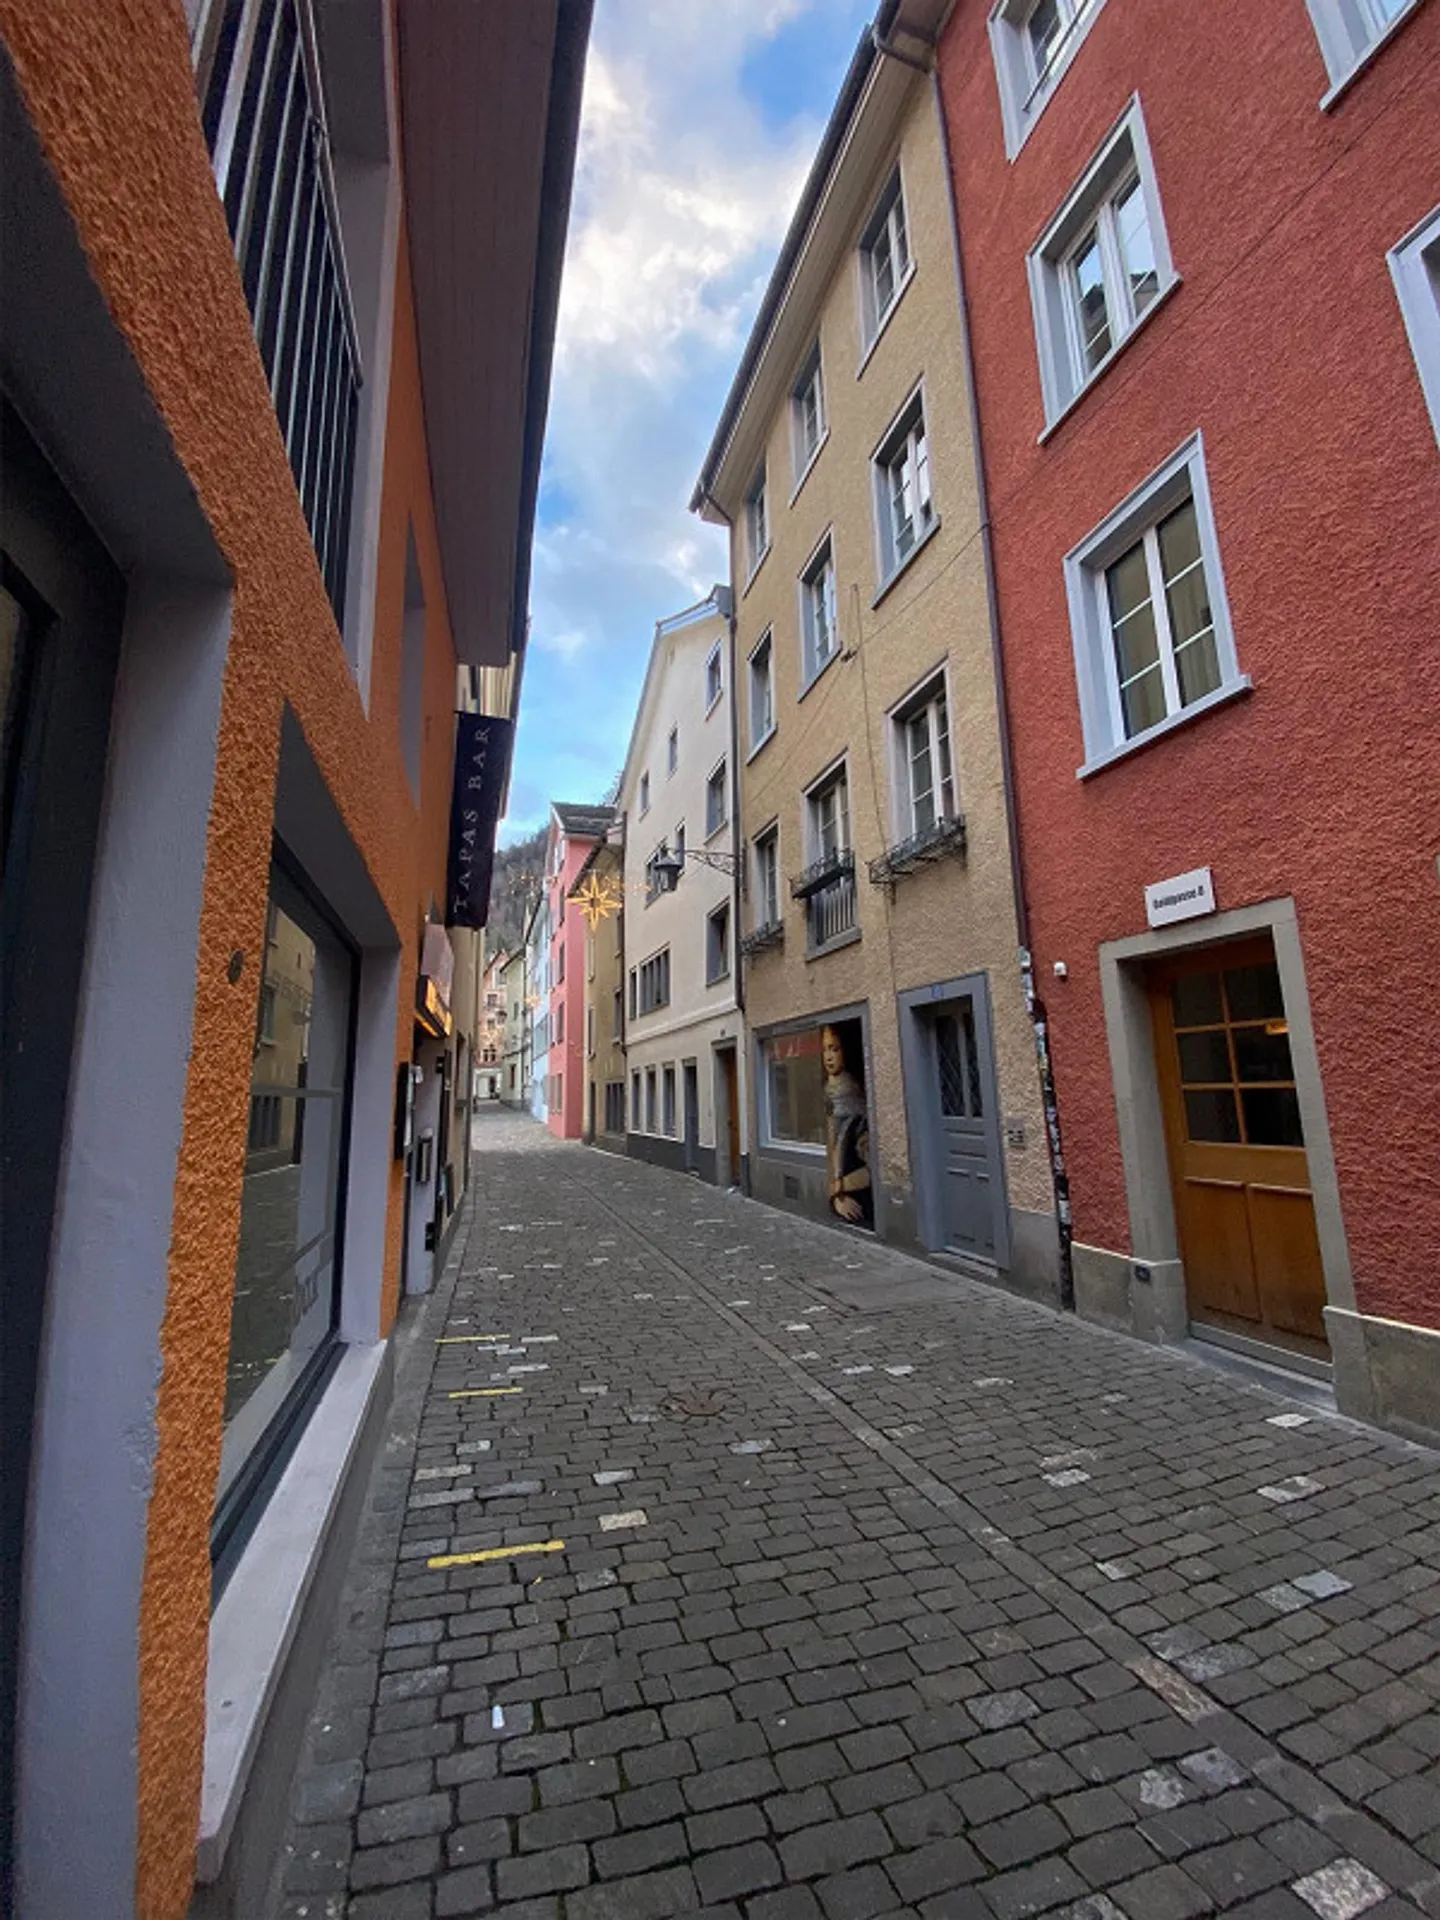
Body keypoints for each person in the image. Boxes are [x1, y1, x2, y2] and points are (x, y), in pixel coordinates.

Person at [821, 1024, 873, 1227]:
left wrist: (838, 1188)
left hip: (860, 1204)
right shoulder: (832, 1099)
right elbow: (833, 1153)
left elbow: (875, 1170)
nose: (828, 1057)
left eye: (835, 1049)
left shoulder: (858, 1116)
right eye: (825, 1049)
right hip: (844, 1202)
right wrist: (837, 1197)